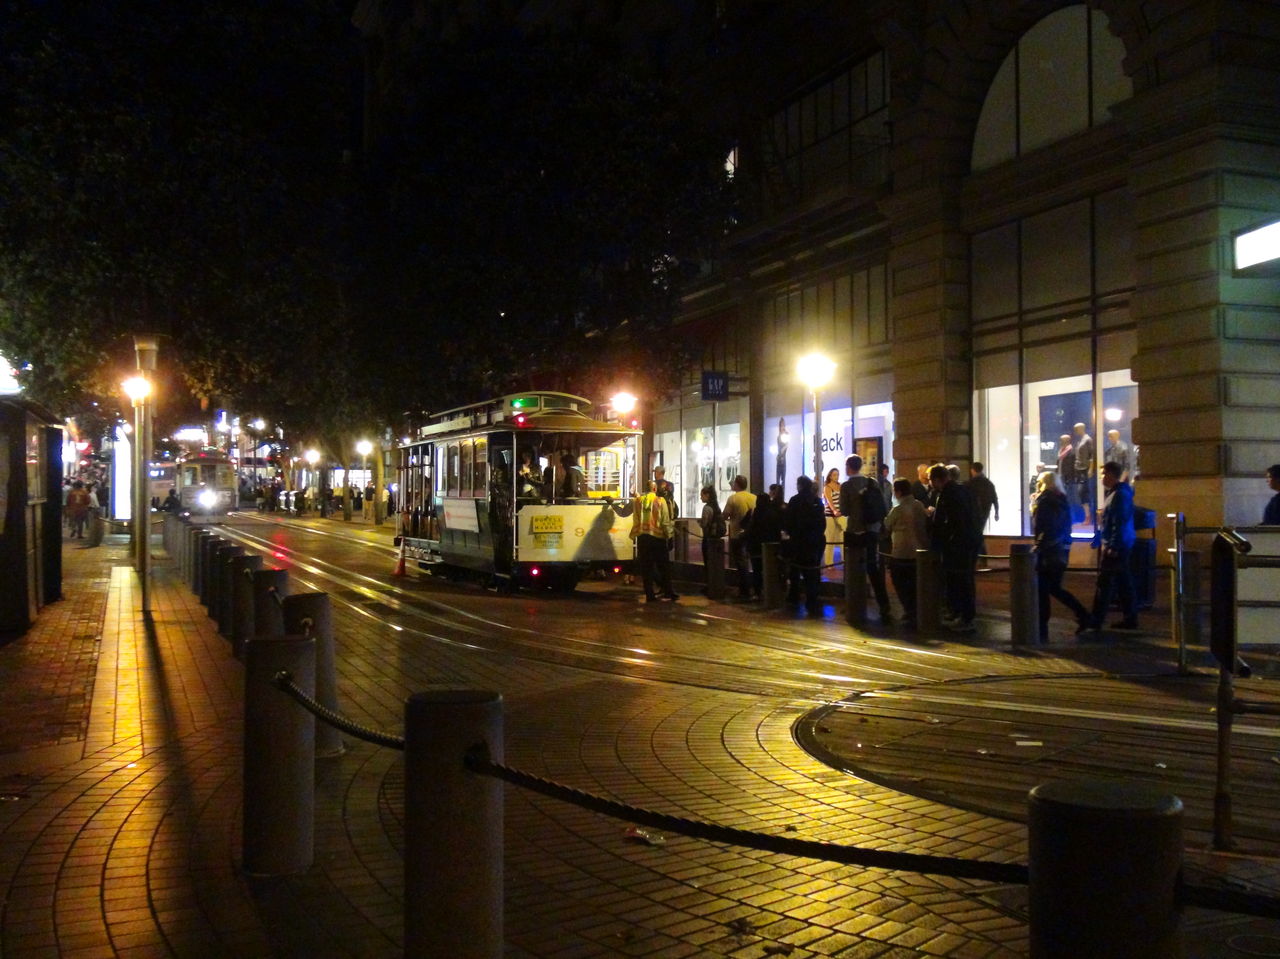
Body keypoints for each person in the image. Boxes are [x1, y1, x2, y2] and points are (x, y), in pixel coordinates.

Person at [1031, 471, 1091, 641]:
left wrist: (1039, 546)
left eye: (1039, 482)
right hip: (1061, 550)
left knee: (1044, 589)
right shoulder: (1061, 500)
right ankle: (1083, 615)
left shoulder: (1045, 501)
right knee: (1054, 588)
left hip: (1049, 551)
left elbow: (1044, 527)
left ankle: (1042, 626)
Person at [839, 454, 893, 623]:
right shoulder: (873, 482)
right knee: (874, 567)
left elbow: (845, 510)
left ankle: (854, 602)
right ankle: (884, 605)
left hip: (856, 531)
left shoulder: (847, 486)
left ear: (848, 467)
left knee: (853, 568)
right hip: (873, 529)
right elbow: (883, 506)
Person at [1085, 460, 1138, 631]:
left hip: (1117, 545)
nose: (1101, 477)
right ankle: (1130, 618)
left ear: (1110, 475)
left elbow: (1118, 522)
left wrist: (1113, 545)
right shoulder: (1118, 493)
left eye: (1103, 474)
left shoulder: (1118, 495)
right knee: (1123, 583)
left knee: (1105, 583)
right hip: (1121, 543)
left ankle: (1096, 619)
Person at [929, 463, 980, 633]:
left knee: (959, 580)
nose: (930, 484)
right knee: (960, 580)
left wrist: (944, 538)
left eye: (931, 480)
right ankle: (959, 613)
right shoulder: (963, 490)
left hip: (958, 545)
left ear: (937, 479)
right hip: (967, 542)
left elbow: (952, 521)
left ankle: (965, 617)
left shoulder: (949, 494)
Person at [883, 479, 929, 628]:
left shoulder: (897, 510)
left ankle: (909, 610)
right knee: (915, 583)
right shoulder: (919, 505)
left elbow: (887, 525)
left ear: (899, 492)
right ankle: (917, 609)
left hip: (901, 552)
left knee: (901, 583)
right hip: (918, 551)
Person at [784, 475, 826, 613]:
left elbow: (788, 521)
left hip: (798, 541)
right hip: (813, 541)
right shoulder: (817, 501)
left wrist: (792, 533)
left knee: (795, 571)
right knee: (812, 572)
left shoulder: (795, 500)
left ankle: (794, 596)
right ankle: (812, 599)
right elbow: (822, 523)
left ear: (800, 485)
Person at [631, 481, 677, 602]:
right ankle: (668, 592)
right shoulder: (660, 501)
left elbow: (635, 518)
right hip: (658, 538)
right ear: (655, 489)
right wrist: (669, 535)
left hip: (642, 538)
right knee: (664, 567)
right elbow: (665, 521)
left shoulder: (638, 501)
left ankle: (649, 594)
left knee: (647, 568)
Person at [724, 475, 757, 599]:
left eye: (733, 483)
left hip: (737, 534)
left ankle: (744, 589)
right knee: (751, 561)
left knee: (740, 562)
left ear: (737, 484)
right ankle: (754, 587)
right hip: (751, 534)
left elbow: (725, 515)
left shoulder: (733, 499)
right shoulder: (753, 497)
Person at [745, 486, 781, 599]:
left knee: (757, 569)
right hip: (770, 545)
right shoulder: (773, 513)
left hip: (755, 545)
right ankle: (770, 591)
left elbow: (746, 525)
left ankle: (757, 591)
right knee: (770, 568)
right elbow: (777, 529)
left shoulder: (754, 512)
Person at [967, 462, 999, 564]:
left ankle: (980, 556)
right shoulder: (988, 483)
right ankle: (982, 557)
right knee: (978, 533)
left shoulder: (971, 483)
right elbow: (994, 498)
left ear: (973, 470)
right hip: (985, 512)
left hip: (974, 512)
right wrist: (996, 512)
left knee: (976, 534)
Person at [698, 485, 726, 594]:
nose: (701, 498)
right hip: (716, 538)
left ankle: (710, 586)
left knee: (708, 562)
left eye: (702, 495)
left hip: (708, 538)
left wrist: (700, 522)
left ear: (707, 495)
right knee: (715, 563)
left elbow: (705, 523)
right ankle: (716, 584)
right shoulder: (716, 507)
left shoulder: (707, 508)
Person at [1073, 422, 1096, 524]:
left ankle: (1089, 517)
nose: (1076, 431)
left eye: (1077, 429)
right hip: (1079, 470)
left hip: (1085, 470)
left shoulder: (1087, 440)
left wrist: (1091, 469)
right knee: (1081, 493)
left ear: (1081, 429)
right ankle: (1087, 516)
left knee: (1083, 492)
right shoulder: (1081, 440)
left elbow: (1092, 456)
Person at [821, 467, 842, 571]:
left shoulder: (840, 486)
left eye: (837, 474)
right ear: (830, 476)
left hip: (840, 513)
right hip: (830, 514)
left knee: (843, 537)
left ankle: (845, 559)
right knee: (830, 538)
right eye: (834, 475)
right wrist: (834, 510)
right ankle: (829, 563)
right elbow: (829, 501)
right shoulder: (827, 487)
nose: (836, 477)